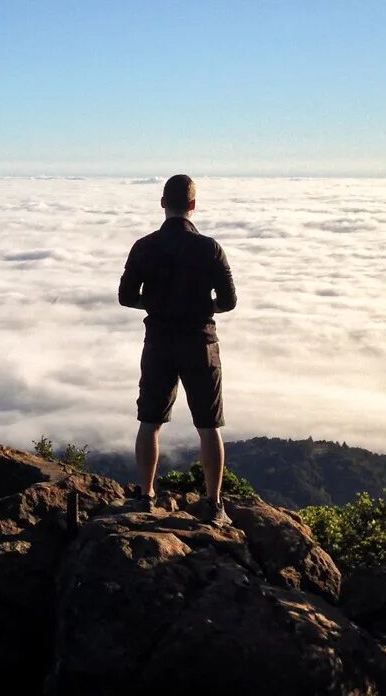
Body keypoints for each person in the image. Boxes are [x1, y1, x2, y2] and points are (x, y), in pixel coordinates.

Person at [118, 174, 237, 525]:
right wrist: (200, 308)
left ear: (162, 203)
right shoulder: (210, 248)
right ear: (193, 205)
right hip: (201, 343)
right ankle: (214, 505)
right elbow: (229, 301)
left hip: (158, 343)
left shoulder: (144, 246)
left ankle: (145, 494)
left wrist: (156, 305)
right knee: (209, 426)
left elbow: (125, 297)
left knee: (150, 421)